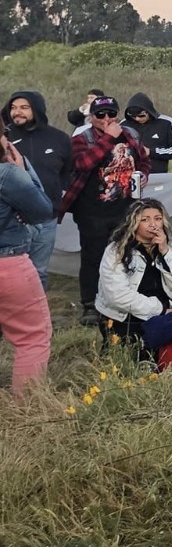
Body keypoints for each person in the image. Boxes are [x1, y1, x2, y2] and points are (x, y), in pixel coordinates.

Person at [59, 96, 151, 325]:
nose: (107, 119)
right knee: (93, 257)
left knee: (127, 255)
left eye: (111, 114)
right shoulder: (82, 139)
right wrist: (109, 137)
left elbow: (143, 160)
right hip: (92, 210)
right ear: (91, 117)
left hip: (125, 208)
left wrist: (143, 176)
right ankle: (90, 304)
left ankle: (124, 300)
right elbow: (82, 164)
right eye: (101, 115)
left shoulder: (130, 136)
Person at [0, 133, 53, 395]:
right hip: (7, 261)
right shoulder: (7, 174)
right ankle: (26, 409)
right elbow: (42, 211)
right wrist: (22, 170)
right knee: (31, 338)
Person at [94, 199, 172, 347]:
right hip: (125, 317)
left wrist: (165, 252)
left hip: (165, 313)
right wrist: (161, 310)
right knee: (143, 353)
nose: (153, 224)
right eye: (145, 220)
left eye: (157, 219)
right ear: (134, 223)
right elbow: (118, 296)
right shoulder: (116, 250)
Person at [4, 91, 72, 288]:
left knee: (39, 270)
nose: (17, 112)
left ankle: (36, 314)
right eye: (13, 108)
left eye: (24, 108)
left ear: (37, 109)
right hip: (12, 221)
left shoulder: (59, 138)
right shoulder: (3, 139)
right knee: (11, 271)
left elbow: (67, 172)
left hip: (46, 218)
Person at [123, 93, 172, 173]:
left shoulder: (167, 123)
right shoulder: (123, 124)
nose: (137, 119)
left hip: (157, 175)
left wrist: (151, 152)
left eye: (141, 116)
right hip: (129, 176)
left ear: (149, 112)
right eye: (134, 117)